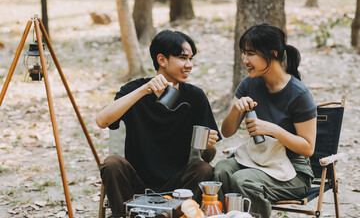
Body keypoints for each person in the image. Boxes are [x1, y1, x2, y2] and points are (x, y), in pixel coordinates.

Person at [96, 30, 221, 217]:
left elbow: (208, 157)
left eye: (191, 59)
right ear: (162, 60)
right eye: (182, 58)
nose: (189, 65)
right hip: (136, 183)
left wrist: (208, 145)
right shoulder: (133, 90)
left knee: (203, 169)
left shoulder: (195, 97)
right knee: (112, 164)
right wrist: (144, 90)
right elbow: (102, 120)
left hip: (177, 188)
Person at [213, 23, 317, 218]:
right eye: (243, 53)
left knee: (243, 180)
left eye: (250, 53)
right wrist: (236, 108)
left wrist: (272, 129)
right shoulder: (249, 84)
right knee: (222, 171)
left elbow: (308, 148)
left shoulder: (299, 94)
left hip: (293, 171)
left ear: (274, 53)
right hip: (256, 159)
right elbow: (226, 132)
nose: (244, 59)